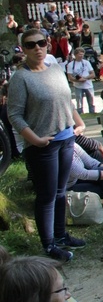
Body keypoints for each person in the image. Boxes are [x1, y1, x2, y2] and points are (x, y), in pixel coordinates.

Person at [7, 30, 83, 260]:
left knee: (61, 191)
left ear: (47, 44)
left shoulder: (56, 68)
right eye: (31, 45)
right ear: (24, 49)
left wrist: (77, 124)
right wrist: (35, 140)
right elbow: (15, 115)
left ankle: (60, 234)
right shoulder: (20, 78)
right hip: (43, 145)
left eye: (41, 43)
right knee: (47, 195)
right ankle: (48, 244)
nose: (37, 48)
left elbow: (66, 101)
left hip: (65, 139)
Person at [67, 142, 103, 206]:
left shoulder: (72, 144)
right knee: (102, 189)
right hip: (67, 186)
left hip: (77, 179)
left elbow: (92, 162)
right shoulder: (62, 151)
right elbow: (83, 174)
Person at [65, 47, 96, 115]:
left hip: (88, 85)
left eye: (82, 54)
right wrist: (78, 80)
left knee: (91, 100)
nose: (81, 56)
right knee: (79, 101)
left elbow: (93, 74)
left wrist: (85, 78)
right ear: (75, 55)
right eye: (79, 54)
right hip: (78, 86)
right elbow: (70, 77)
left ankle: (92, 113)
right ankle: (80, 113)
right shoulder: (70, 65)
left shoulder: (86, 62)